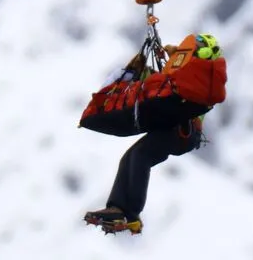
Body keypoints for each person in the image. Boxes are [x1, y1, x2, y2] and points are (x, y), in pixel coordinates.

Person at [81, 31, 227, 236]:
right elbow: (163, 84)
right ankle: (118, 209)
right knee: (131, 157)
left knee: (141, 156)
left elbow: (166, 85)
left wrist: (169, 58)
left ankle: (129, 214)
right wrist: (171, 56)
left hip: (181, 131)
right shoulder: (196, 81)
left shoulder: (195, 81)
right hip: (179, 131)